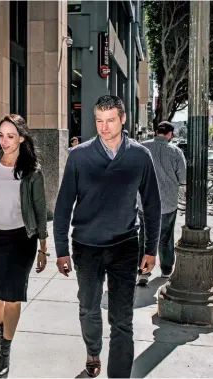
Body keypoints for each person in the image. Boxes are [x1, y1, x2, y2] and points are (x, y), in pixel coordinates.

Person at [53, 95, 161, 378]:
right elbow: (64, 206)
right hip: (86, 247)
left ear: (123, 119)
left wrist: (151, 250)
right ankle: (92, 350)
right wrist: (61, 249)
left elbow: (152, 205)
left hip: (125, 245)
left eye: (110, 120)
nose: (104, 127)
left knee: (122, 319)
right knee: (88, 307)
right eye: (99, 121)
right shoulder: (79, 156)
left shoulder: (140, 156)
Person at [0, 114, 49, 378]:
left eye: (10, 136)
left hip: (21, 240)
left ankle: (5, 350)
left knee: (13, 298)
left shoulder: (32, 171)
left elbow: (39, 210)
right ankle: (3, 327)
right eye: (1, 135)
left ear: (21, 138)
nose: (4, 141)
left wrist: (43, 246)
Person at [137, 121, 186, 285]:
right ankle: (166, 269)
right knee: (165, 237)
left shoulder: (141, 149)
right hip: (167, 203)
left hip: (144, 203)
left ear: (155, 131)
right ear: (170, 134)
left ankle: (143, 272)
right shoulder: (176, 151)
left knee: (144, 237)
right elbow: (183, 179)